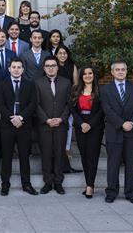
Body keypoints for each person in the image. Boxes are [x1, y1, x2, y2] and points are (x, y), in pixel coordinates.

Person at [101, 61, 133, 204]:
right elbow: (107, 110)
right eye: (117, 69)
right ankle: (111, 192)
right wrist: (121, 123)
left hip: (131, 132)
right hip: (115, 131)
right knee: (113, 164)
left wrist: (131, 122)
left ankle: (130, 193)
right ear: (112, 72)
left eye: (123, 69)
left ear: (126, 71)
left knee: (130, 164)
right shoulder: (105, 90)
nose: (120, 72)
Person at [0, 58, 38, 196]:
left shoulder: (30, 84)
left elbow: (33, 103)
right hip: (7, 125)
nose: (16, 69)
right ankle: (5, 184)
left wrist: (20, 117)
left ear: (23, 69)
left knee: (24, 156)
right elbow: (0, 104)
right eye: (13, 67)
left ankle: (26, 184)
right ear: (9, 69)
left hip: (24, 125)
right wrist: (12, 118)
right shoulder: (2, 84)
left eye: (19, 67)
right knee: (6, 156)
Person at [35, 57, 72, 195]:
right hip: (45, 125)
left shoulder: (66, 83)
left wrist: (61, 119)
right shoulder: (37, 83)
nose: (50, 68)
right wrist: (46, 119)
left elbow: (69, 104)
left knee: (59, 153)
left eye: (53, 65)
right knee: (46, 154)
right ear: (44, 68)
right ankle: (47, 182)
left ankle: (58, 182)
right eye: (48, 66)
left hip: (61, 125)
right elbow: (36, 104)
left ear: (57, 67)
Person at [70, 66, 105, 199]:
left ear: (93, 75)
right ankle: (88, 183)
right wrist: (81, 123)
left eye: (90, 73)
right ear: (81, 76)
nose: (87, 76)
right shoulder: (75, 90)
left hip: (95, 127)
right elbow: (72, 109)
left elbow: (102, 111)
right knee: (84, 155)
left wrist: (90, 124)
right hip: (80, 126)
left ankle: (90, 186)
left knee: (93, 156)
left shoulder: (100, 91)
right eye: (84, 74)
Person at [55, 44, 80, 174]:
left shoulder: (72, 66)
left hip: (68, 100)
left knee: (68, 125)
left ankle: (67, 150)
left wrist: (72, 100)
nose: (63, 55)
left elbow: (76, 84)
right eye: (60, 53)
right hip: (55, 101)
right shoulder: (53, 66)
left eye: (65, 53)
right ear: (56, 54)